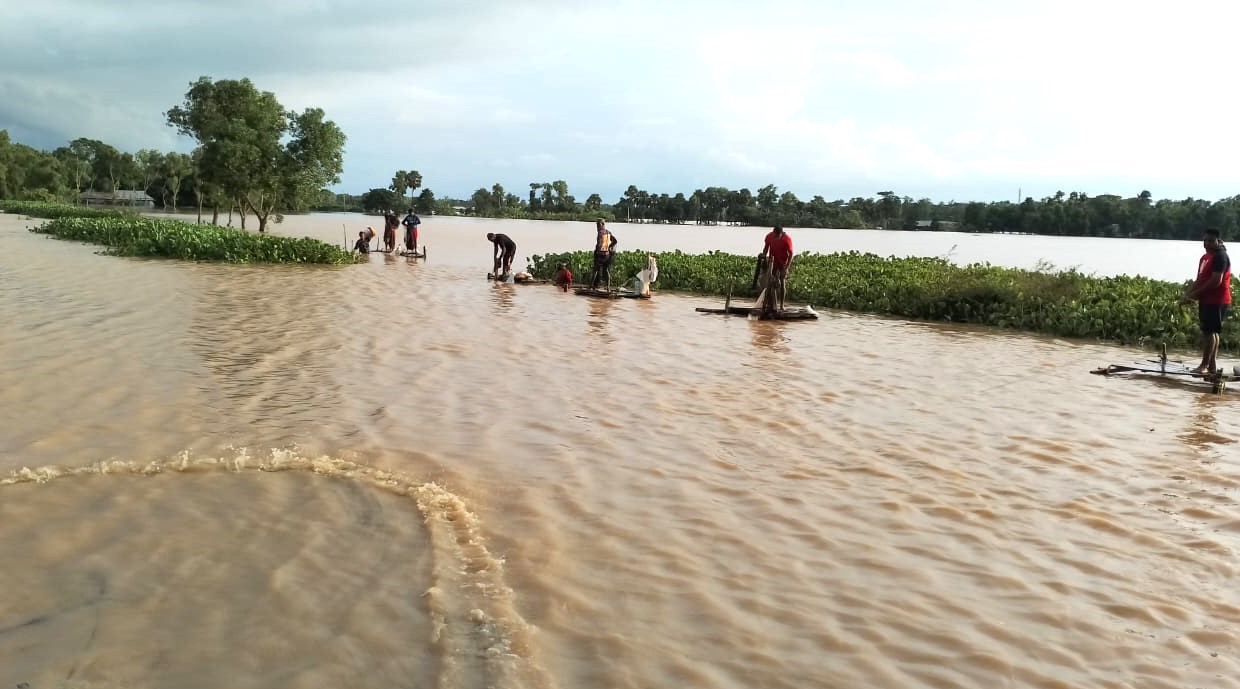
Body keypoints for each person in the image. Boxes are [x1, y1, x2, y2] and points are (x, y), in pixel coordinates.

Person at [1180, 227, 1232, 374]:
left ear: (1218, 241)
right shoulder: (1205, 257)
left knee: (1210, 333)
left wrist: (1194, 295)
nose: (1207, 244)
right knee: (1211, 332)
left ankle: (1204, 365)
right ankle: (1212, 366)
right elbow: (1200, 279)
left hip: (1217, 300)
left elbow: (1216, 281)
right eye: (1205, 241)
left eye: (1210, 241)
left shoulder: (1221, 256)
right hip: (1207, 300)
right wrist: (1188, 294)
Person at [758, 226, 793, 312]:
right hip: (772, 261)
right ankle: (770, 303)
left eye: (778, 235)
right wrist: (764, 255)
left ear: (782, 233)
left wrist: (786, 268)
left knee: (782, 282)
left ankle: (781, 305)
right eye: (775, 235)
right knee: (770, 281)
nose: (776, 237)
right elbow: (766, 247)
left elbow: (791, 254)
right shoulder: (769, 236)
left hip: (782, 263)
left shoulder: (787, 239)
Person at [590, 218, 618, 289]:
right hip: (607, 255)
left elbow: (598, 244)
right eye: (597, 225)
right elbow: (615, 241)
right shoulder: (609, 232)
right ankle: (608, 287)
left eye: (598, 225)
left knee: (595, 270)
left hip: (600, 254)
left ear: (603, 224)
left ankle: (591, 286)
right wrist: (609, 247)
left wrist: (597, 251)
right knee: (606, 270)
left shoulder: (600, 233)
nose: (597, 227)